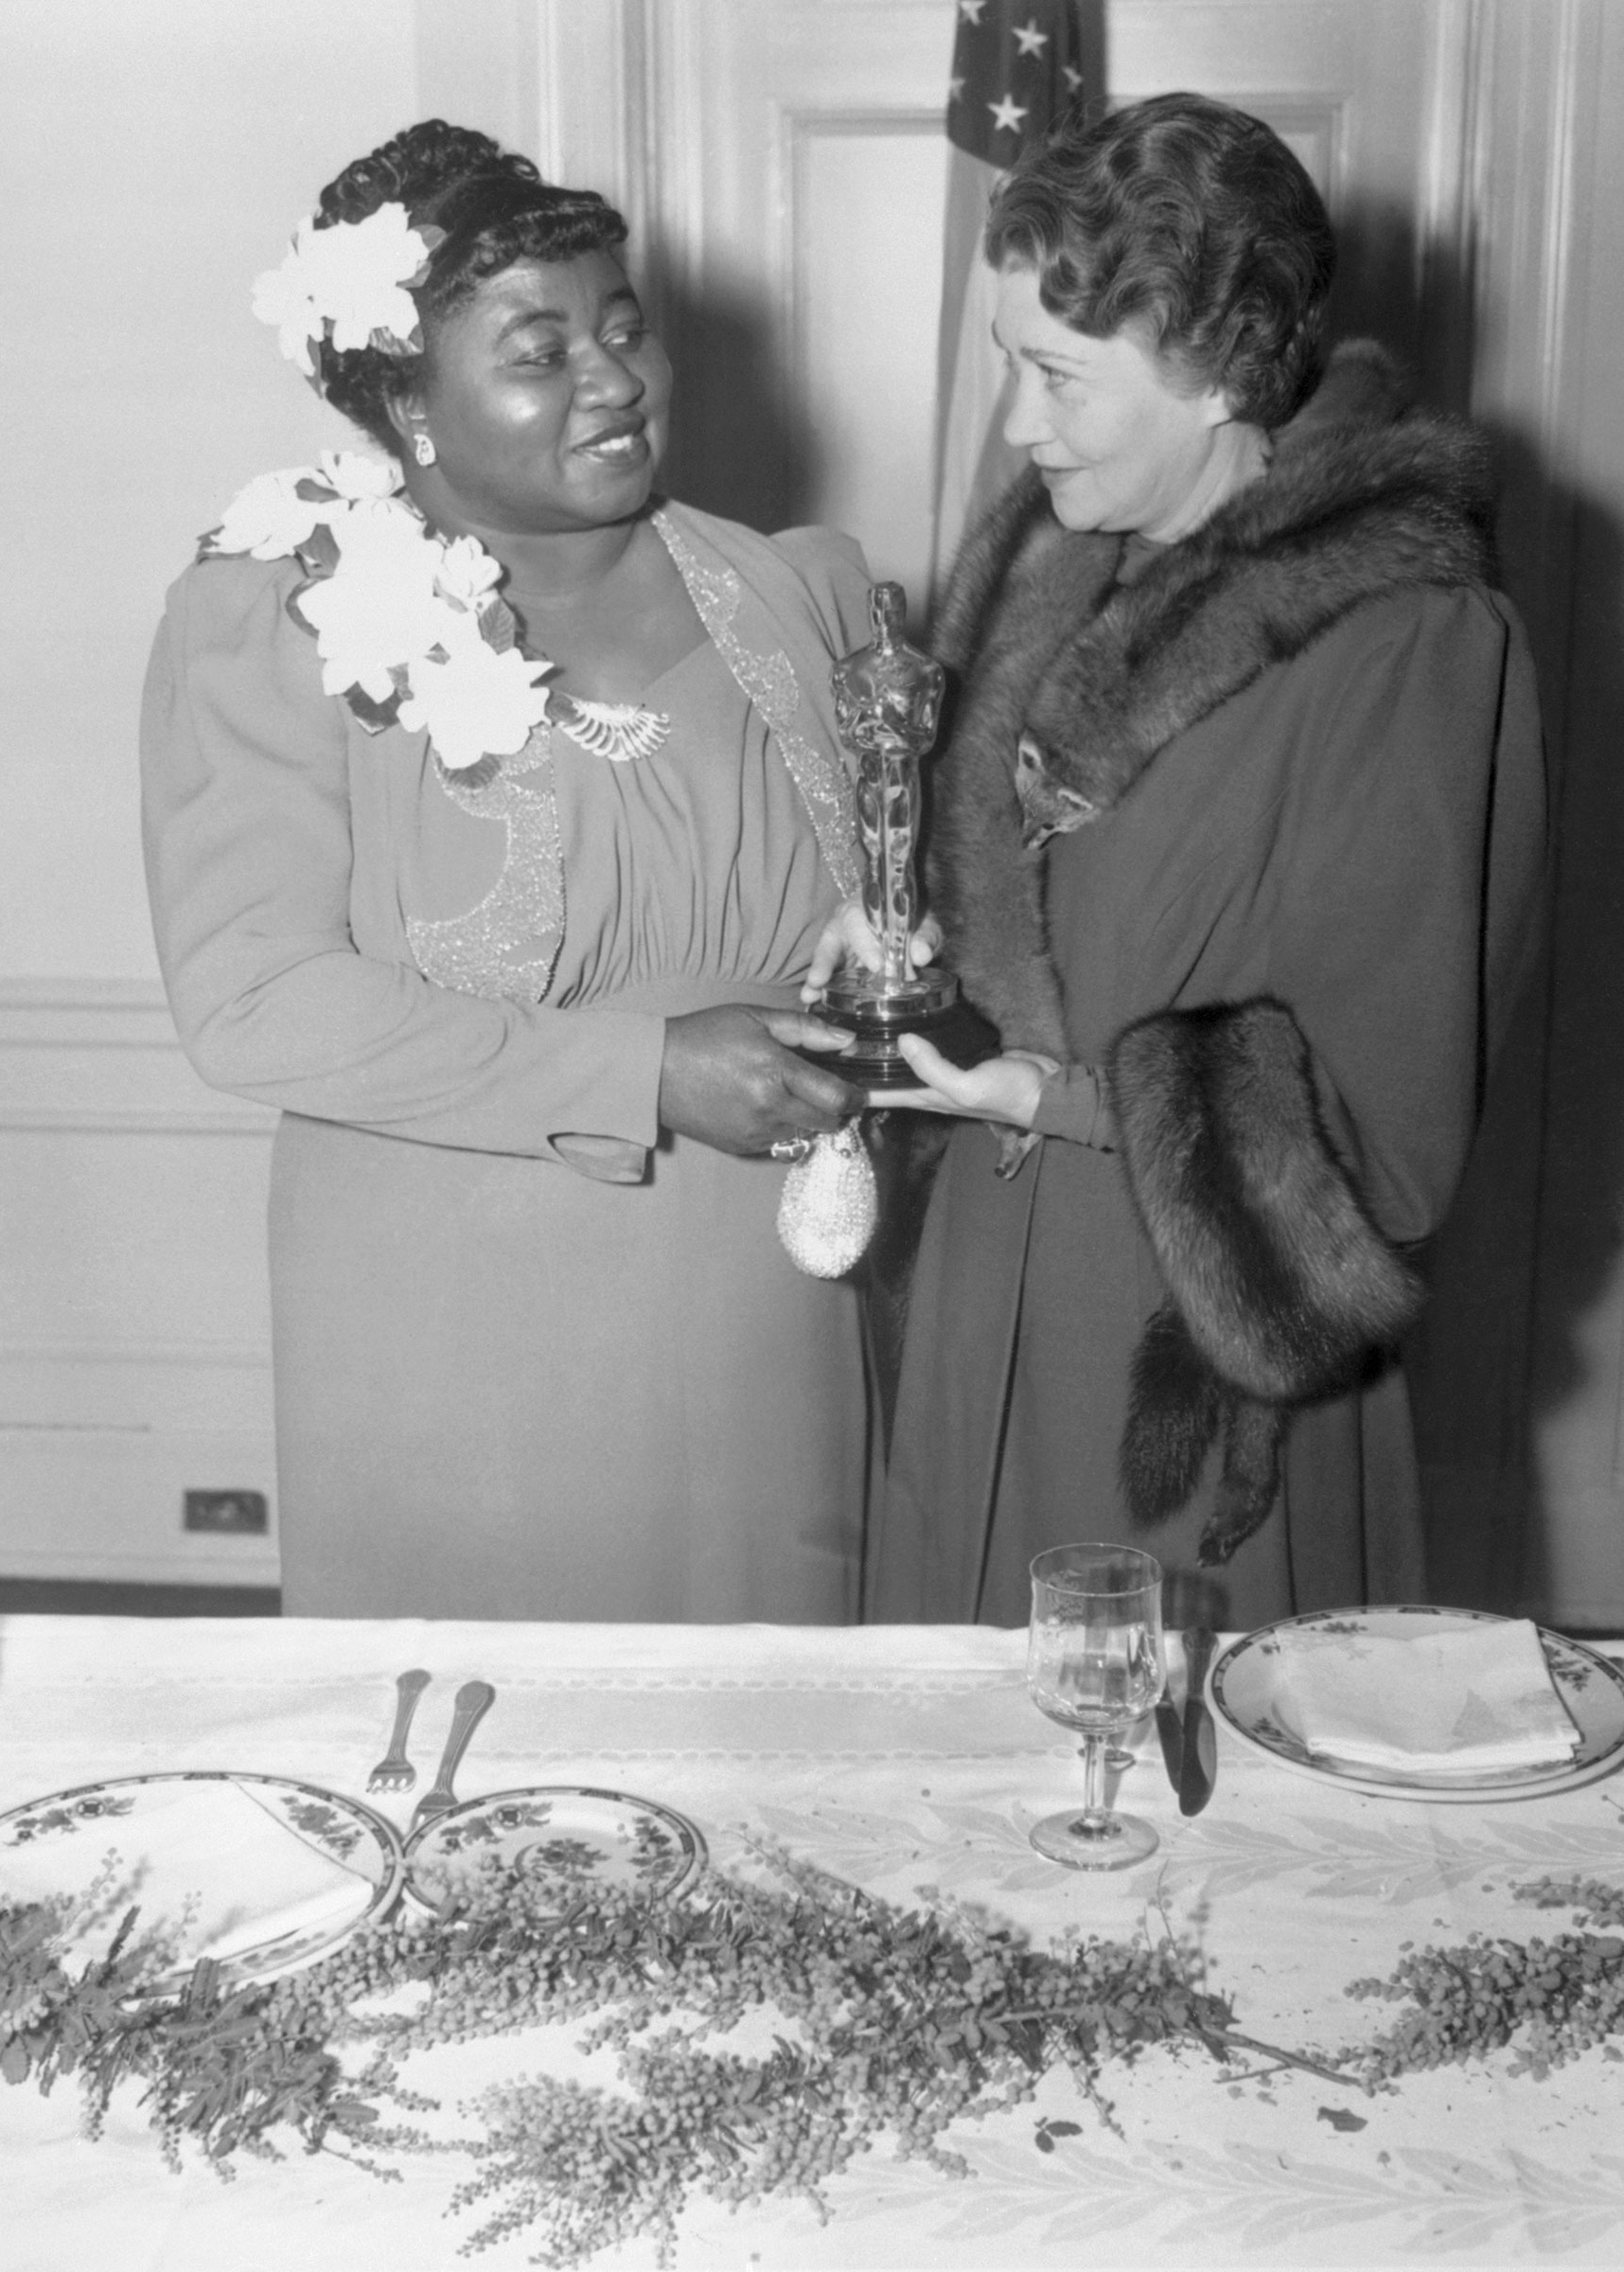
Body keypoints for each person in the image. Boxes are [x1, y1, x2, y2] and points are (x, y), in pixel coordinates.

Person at [141, 121, 875, 1619]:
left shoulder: (801, 590)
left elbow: (899, 900)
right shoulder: (271, 622)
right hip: (451, 1322)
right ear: (408, 399)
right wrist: (645, 1073)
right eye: (539, 352)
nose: (614, 379)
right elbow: (253, 1005)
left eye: (623, 329)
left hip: (760, 1294)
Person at [848, 93, 1546, 1629]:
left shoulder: (1409, 640)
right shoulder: (1053, 559)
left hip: (1184, 1345)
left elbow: (1393, 1141)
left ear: (1224, 369)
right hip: (978, 1288)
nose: (1016, 427)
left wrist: (1065, 1100)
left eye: (1055, 375)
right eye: (1001, 365)